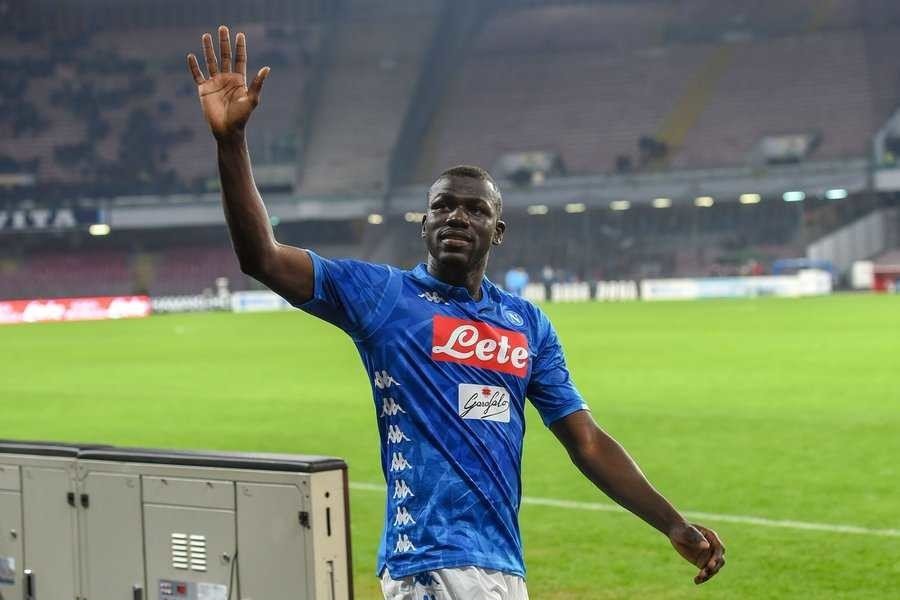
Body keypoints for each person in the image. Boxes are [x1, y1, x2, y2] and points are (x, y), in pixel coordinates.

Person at [187, 26, 725, 600]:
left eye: (475, 209)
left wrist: (672, 523)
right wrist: (231, 143)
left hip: (502, 566)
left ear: (499, 230)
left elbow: (586, 442)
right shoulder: (383, 297)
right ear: (424, 225)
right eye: (442, 206)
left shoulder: (526, 325)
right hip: (427, 563)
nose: (457, 217)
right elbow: (263, 257)